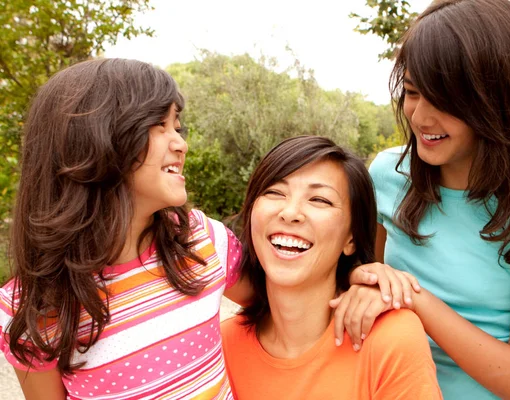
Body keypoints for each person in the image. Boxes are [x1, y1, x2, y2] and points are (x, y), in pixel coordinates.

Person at [0, 58, 395, 399]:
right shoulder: (30, 306)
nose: (181, 144)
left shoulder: (200, 241)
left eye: (178, 125)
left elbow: (289, 300)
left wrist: (360, 286)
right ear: (94, 141)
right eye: (160, 125)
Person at [363, 0, 510, 399]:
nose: (420, 117)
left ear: (497, 101)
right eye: (412, 92)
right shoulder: (386, 176)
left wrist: (413, 298)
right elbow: (359, 284)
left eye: (445, 100)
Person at [221, 136, 442, 400]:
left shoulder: (391, 339)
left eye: (320, 200)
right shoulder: (221, 344)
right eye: (275, 192)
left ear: (351, 238)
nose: (290, 212)